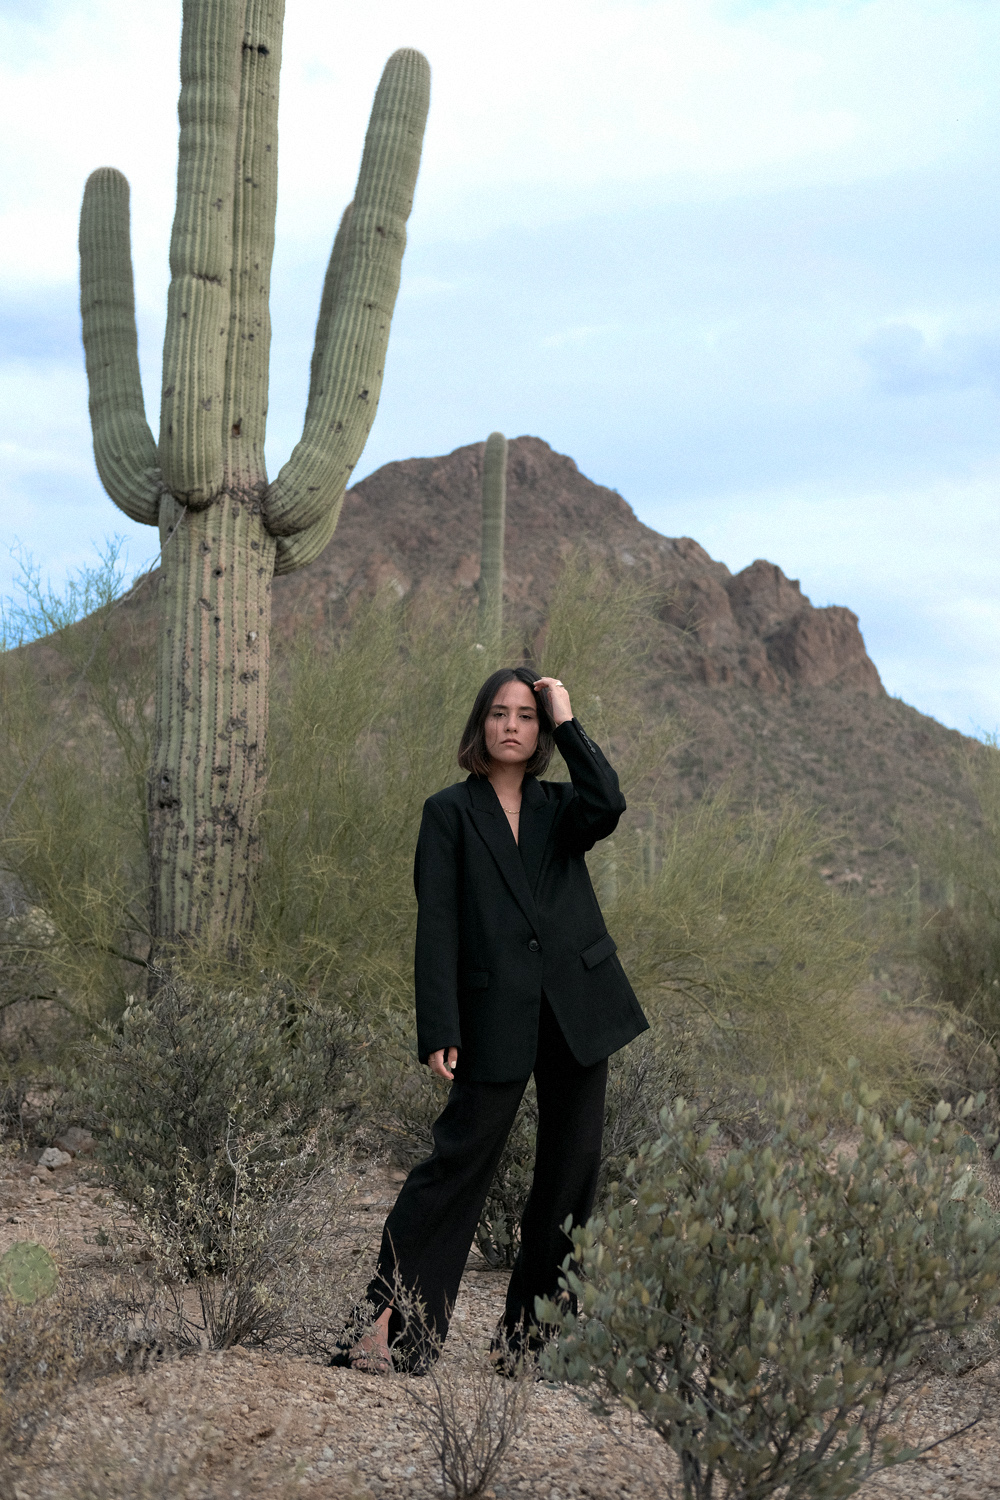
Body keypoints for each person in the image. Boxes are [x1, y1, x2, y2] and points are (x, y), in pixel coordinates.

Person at [332, 666, 649, 1373]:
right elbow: (437, 926)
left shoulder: (563, 807)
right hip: (491, 1015)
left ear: (541, 732)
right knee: (453, 1167)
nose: (512, 725)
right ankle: (390, 1325)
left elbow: (610, 801)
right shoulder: (448, 812)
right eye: (500, 713)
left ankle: (532, 1342)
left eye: (527, 716)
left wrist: (567, 716)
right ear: (481, 724)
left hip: (576, 1011)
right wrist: (439, 1026)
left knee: (570, 1177)